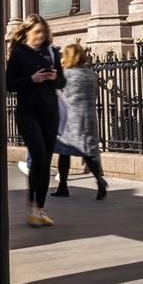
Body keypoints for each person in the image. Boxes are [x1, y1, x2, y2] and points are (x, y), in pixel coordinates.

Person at [6, 13, 65, 227]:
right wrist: (31, 79)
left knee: (46, 161)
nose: (41, 35)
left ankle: (39, 209)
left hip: (50, 112)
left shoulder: (51, 53)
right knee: (38, 156)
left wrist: (53, 78)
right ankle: (31, 202)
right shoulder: (20, 54)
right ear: (28, 32)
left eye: (44, 32)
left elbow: (61, 82)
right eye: (37, 32)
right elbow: (8, 83)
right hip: (28, 112)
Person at [51, 43, 107, 200]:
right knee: (89, 151)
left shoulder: (67, 74)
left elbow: (59, 92)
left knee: (64, 152)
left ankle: (63, 185)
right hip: (88, 117)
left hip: (70, 119)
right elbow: (95, 94)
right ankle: (99, 180)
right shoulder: (91, 74)